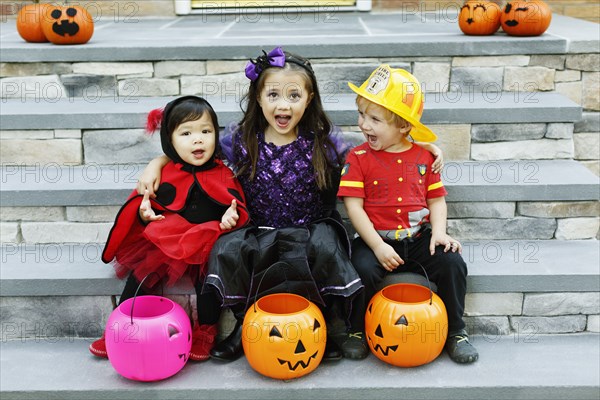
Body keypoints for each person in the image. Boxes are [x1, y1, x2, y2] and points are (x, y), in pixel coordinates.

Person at [137, 49, 443, 362]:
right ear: (258, 97)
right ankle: (246, 326)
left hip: (310, 228)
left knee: (322, 250)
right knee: (230, 249)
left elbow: (374, 146)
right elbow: (198, 149)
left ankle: (318, 325)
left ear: (309, 99)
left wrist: (417, 146)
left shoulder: (324, 141)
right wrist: (159, 161)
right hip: (260, 228)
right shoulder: (242, 139)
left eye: (294, 95)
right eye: (273, 94)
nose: (283, 104)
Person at [89, 95, 250, 362]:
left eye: (206, 131)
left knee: (209, 279)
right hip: (171, 234)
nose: (198, 139)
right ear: (169, 141)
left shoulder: (224, 172)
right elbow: (144, 204)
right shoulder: (166, 171)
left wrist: (231, 218)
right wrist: (145, 214)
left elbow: (236, 205)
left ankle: (206, 329)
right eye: (186, 133)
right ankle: (119, 327)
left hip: (209, 236)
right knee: (143, 270)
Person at [337, 65, 479, 364]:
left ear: (403, 126)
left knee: (452, 263)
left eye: (375, 119)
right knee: (359, 267)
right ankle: (357, 330)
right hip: (374, 238)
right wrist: (376, 245)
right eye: (362, 115)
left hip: (418, 238)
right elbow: (353, 206)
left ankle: (456, 331)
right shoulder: (358, 158)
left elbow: (436, 200)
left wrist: (439, 232)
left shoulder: (425, 158)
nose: (364, 125)